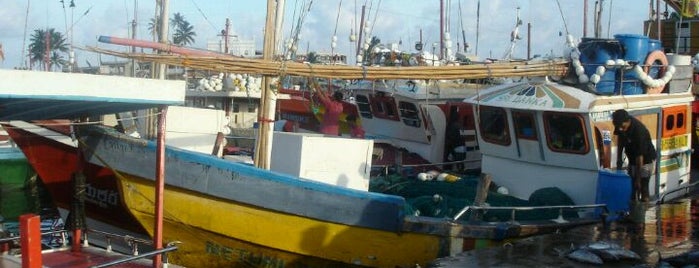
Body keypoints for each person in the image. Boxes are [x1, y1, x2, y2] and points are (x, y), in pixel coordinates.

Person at [613, 109, 656, 202]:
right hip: (632, 159)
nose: (620, 128)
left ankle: (643, 210)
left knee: (642, 187)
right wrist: (619, 160)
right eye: (618, 126)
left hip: (645, 160)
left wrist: (638, 179)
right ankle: (632, 209)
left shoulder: (639, 131)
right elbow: (620, 142)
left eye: (622, 126)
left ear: (628, 121)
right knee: (633, 188)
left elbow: (640, 157)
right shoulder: (619, 124)